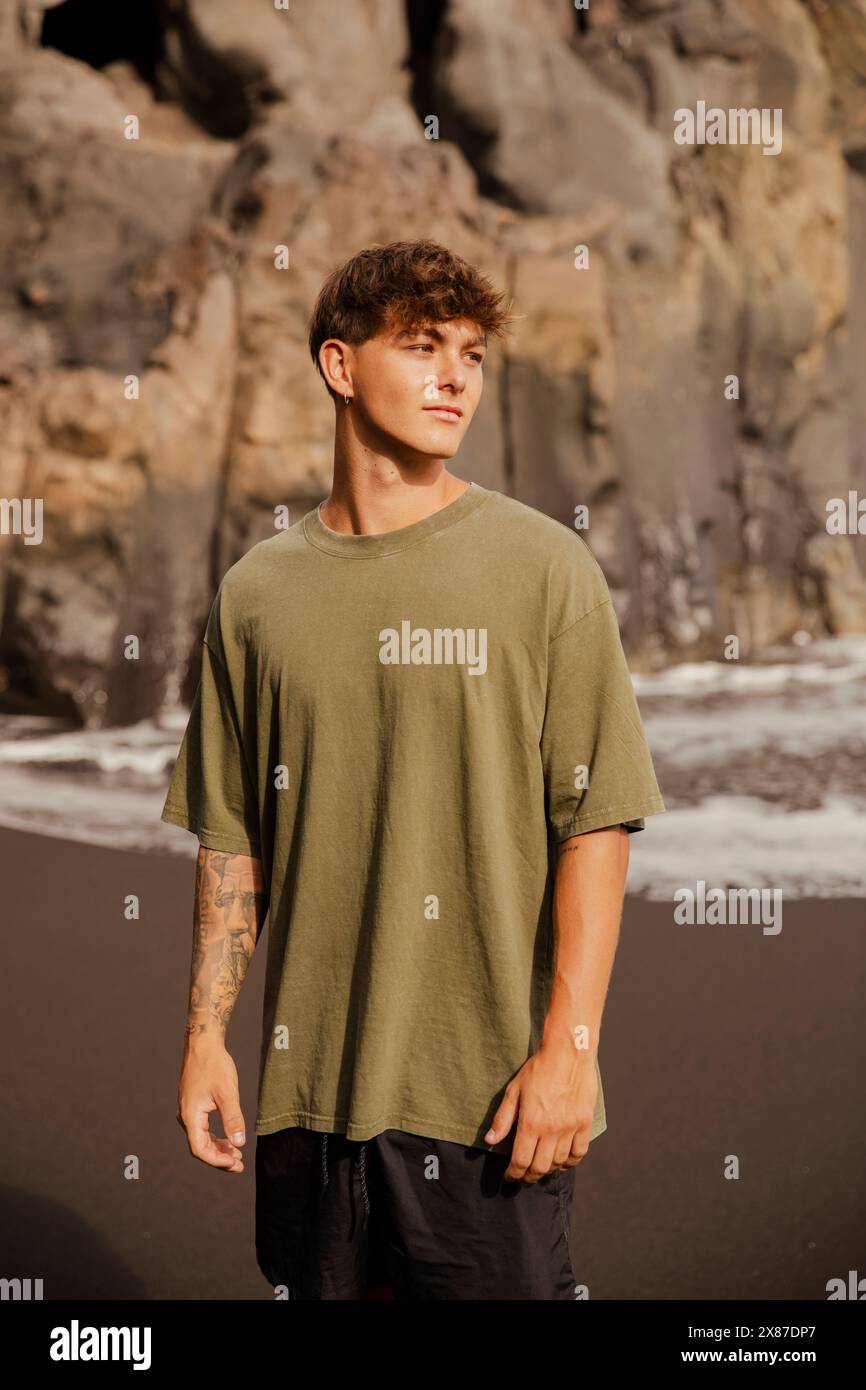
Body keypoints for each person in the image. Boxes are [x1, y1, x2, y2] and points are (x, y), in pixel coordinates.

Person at [161, 238, 666, 1300]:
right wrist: (207, 1038)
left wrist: (568, 1052)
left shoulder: (542, 568)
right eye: (421, 345)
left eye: (471, 354)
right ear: (340, 365)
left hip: (483, 1101)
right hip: (311, 1105)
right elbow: (231, 836)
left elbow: (597, 822)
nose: (454, 377)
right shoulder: (255, 595)